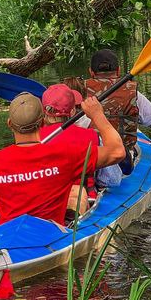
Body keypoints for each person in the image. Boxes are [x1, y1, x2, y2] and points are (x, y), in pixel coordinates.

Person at [0, 92, 125, 227]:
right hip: (49, 234)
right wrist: (97, 114)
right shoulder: (65, 154)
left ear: (9, 124)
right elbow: (117, 152)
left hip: (5, 238)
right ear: (42, 122)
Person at [40, 83, 100, 214]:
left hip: (44, 203)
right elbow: (110, 179)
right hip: (85, 203)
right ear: (73, 111)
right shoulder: (91, 135)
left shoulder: (32, 139)